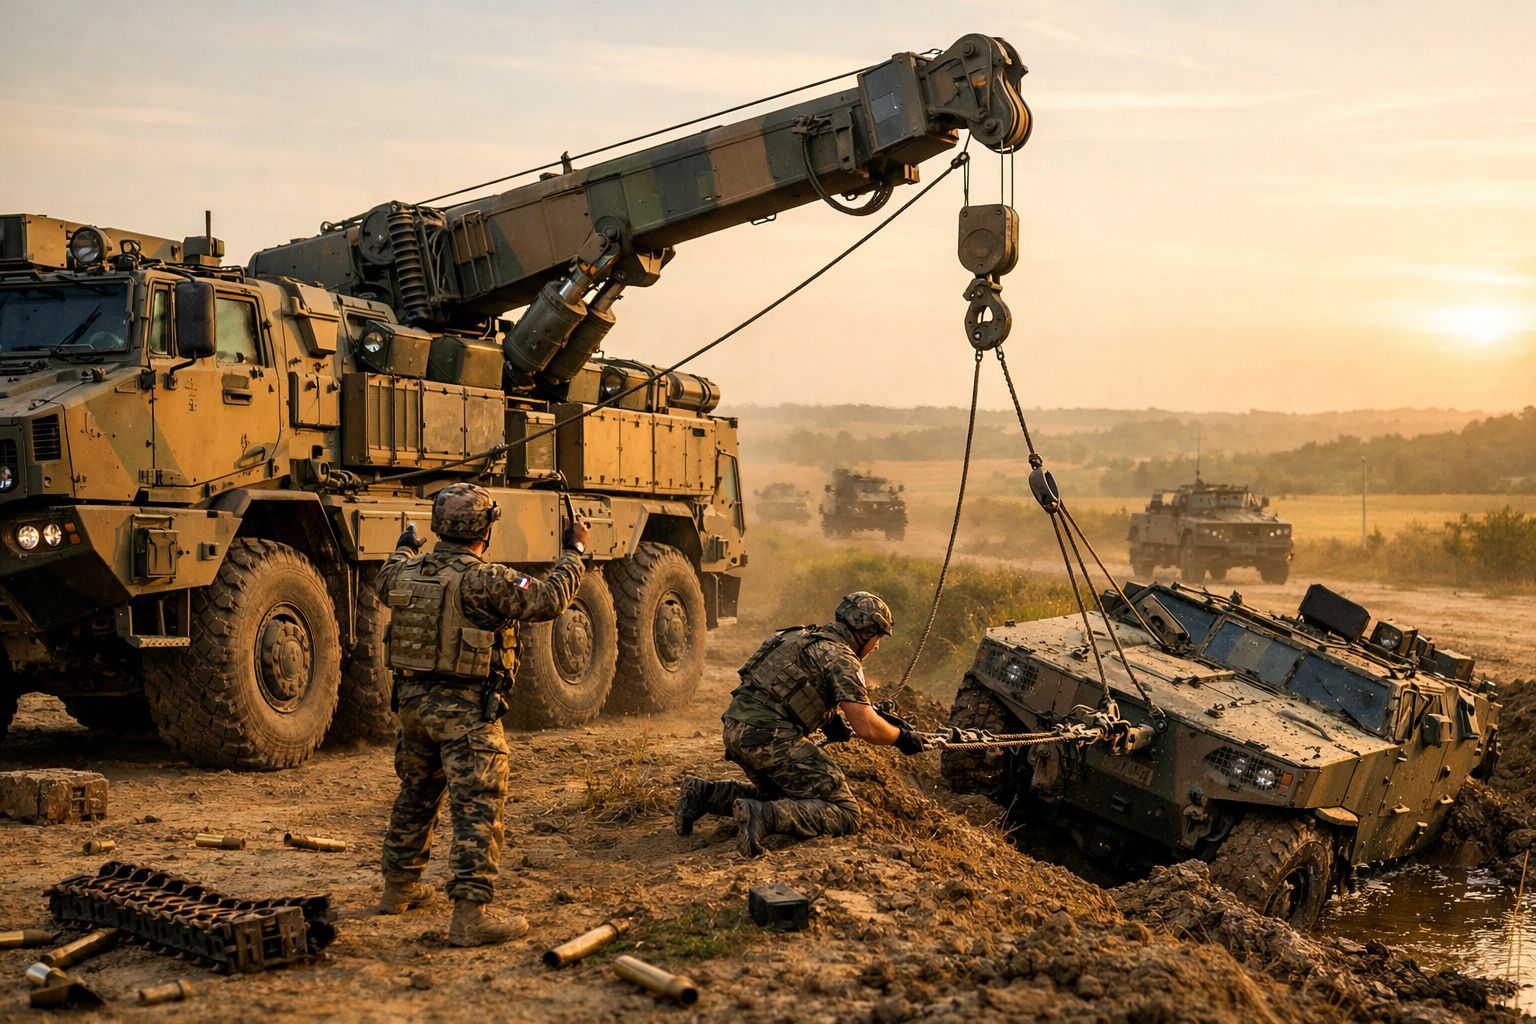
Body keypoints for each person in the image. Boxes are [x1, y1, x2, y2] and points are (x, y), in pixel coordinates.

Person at [374, 481, 589, 946]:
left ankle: (398, 890)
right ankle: (470, 916)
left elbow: (386, 575)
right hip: (467, 716)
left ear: (438, 527)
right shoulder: (488, 580)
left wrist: (405, 546)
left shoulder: (403, 573)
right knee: (478, 808)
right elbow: (550, 599)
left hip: (412, 710)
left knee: (417, 793)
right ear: (485, 531)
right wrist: (574, 551)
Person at [673, 591, 928, 857]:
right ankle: (761, 815)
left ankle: (705, 795)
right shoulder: (841, 657)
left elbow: (783, 688)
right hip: (768, 736)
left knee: (791, 795)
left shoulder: (797, 636)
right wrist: (902, 738)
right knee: (845, 811)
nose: (876, 647)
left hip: (736, 728)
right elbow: (867, 726)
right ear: (866, 633)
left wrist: (829, 720)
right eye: (878, 639)